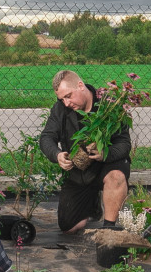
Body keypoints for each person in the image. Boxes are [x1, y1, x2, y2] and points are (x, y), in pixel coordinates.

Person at [40, 70, 131, 233]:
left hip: (107, 165)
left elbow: (124, 144)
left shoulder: (110, 105)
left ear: (80, 86)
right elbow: (47, 137)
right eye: (62, 99)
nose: (66, 103)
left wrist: (106, 154)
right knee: (69, 227)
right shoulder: (60, 109)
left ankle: (108, 229)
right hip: (80, 172)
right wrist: (57, 154)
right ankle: (93, 204)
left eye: (68, 96)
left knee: (116, 176)